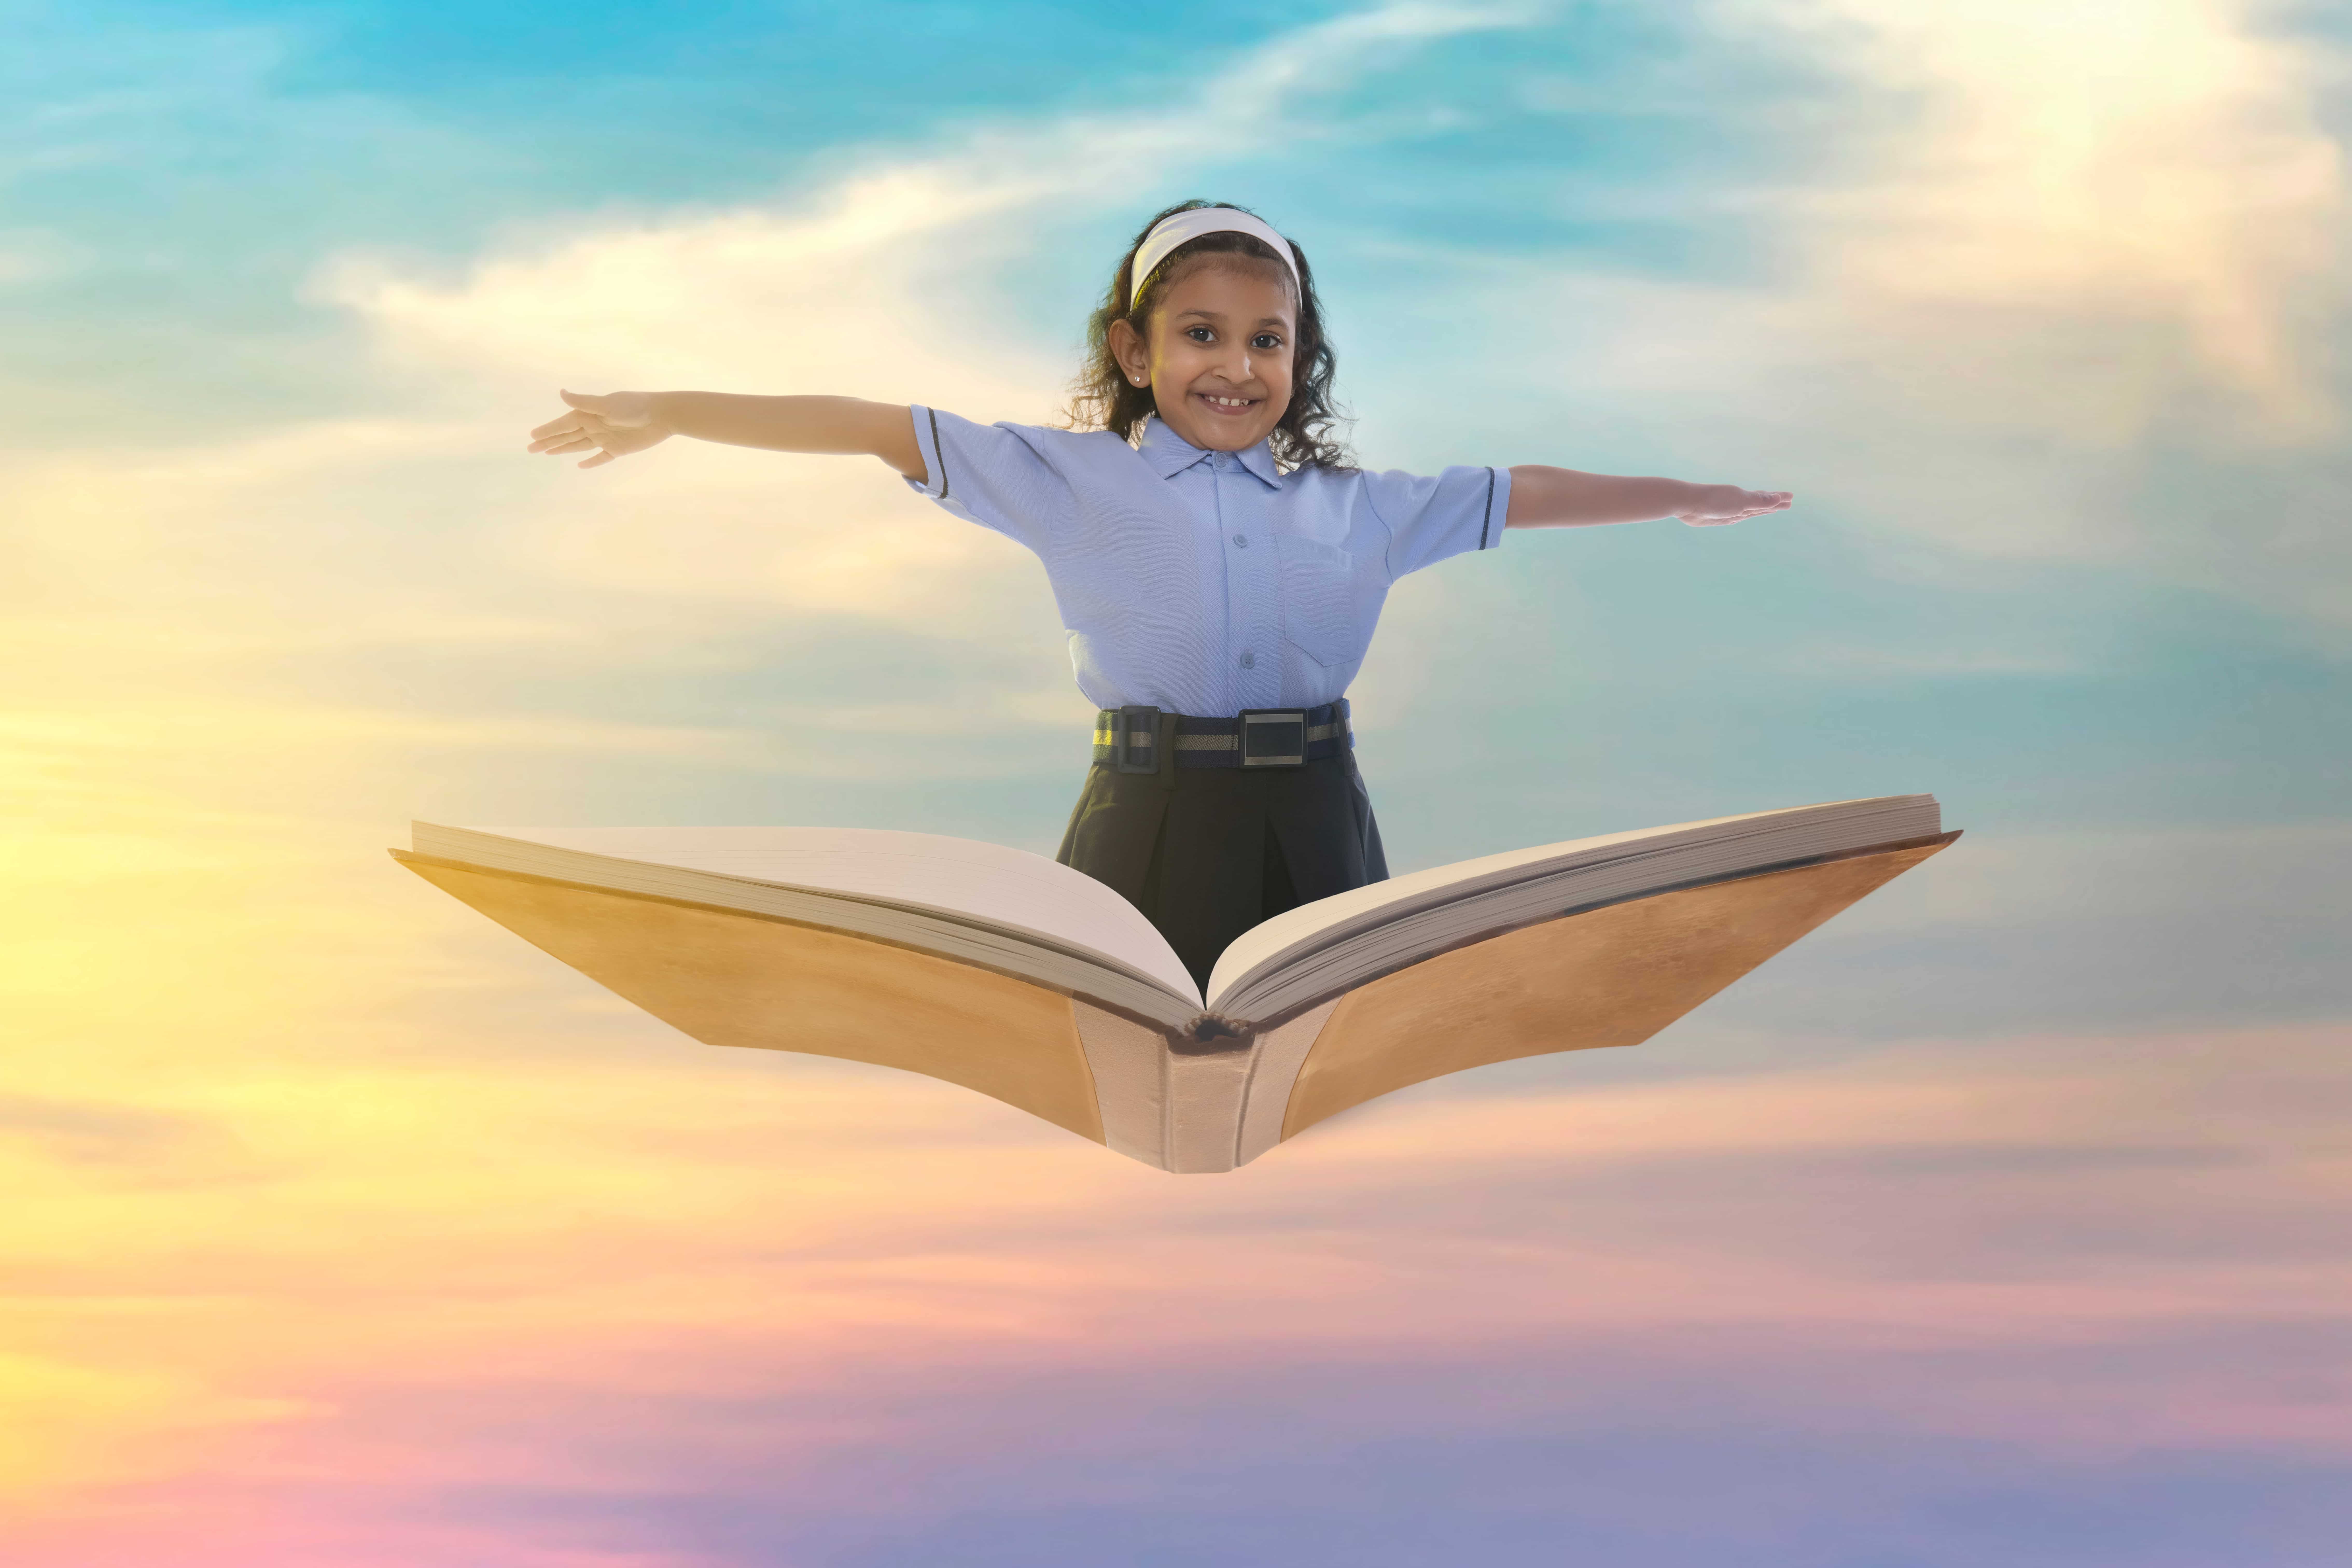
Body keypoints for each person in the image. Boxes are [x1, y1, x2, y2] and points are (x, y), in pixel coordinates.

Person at [527, 200, 1791, 989]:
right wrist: (669, 412)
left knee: (1318, 1028)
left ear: (1301, 358)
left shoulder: (1361, 507)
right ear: (1133, 351)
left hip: (1317, 803)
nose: (1234, 365)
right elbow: (865, 423)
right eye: (1199, 333)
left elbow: (1528, 489)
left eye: (1266, 340)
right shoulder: (1063, 480)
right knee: (1140, 1028)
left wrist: (1684, 489)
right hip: (1148, 805)